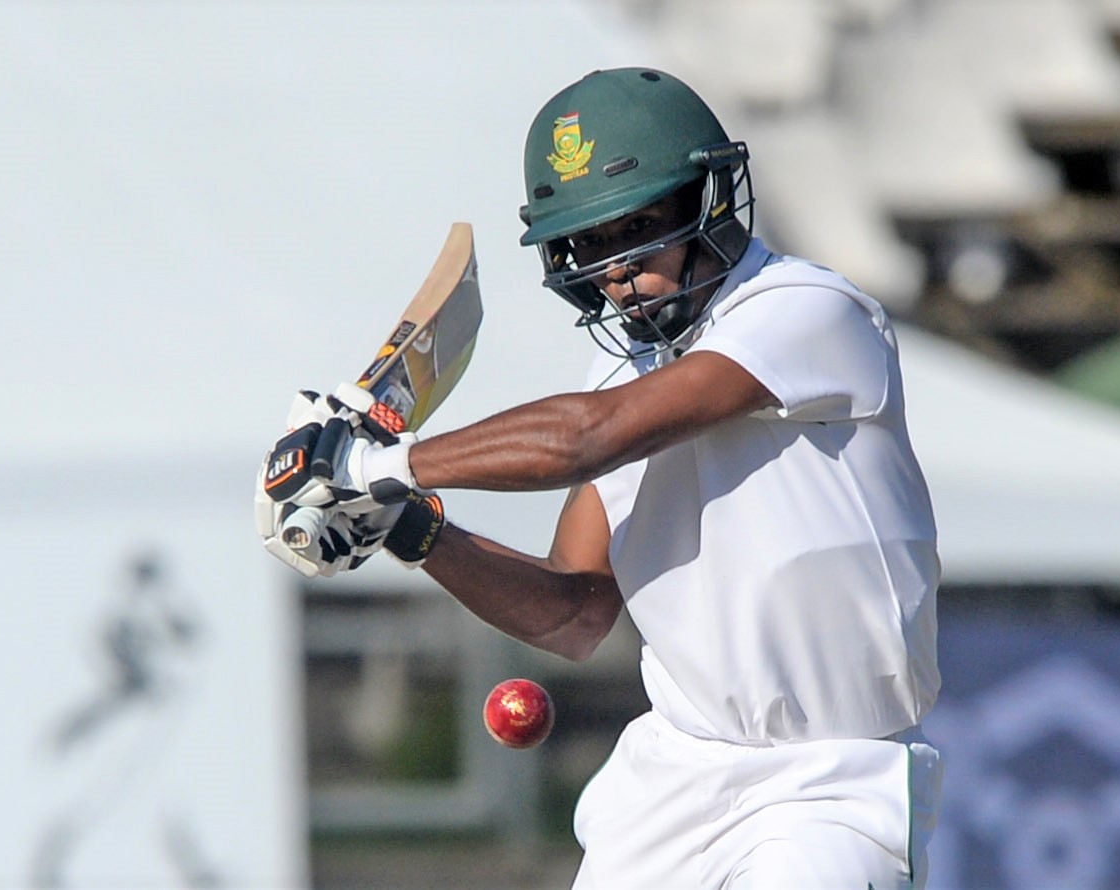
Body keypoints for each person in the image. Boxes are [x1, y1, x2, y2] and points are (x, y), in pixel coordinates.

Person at [257, 67, 943, 890]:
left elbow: (589, 438)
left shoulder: (806, 311)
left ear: (708, 200)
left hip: (826, 783)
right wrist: (408, 528)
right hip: (675, 775)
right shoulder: (624, 376)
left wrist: (374, 465)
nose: (614, 269)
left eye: (639, 227)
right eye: (588, 243)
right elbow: (572, 612)